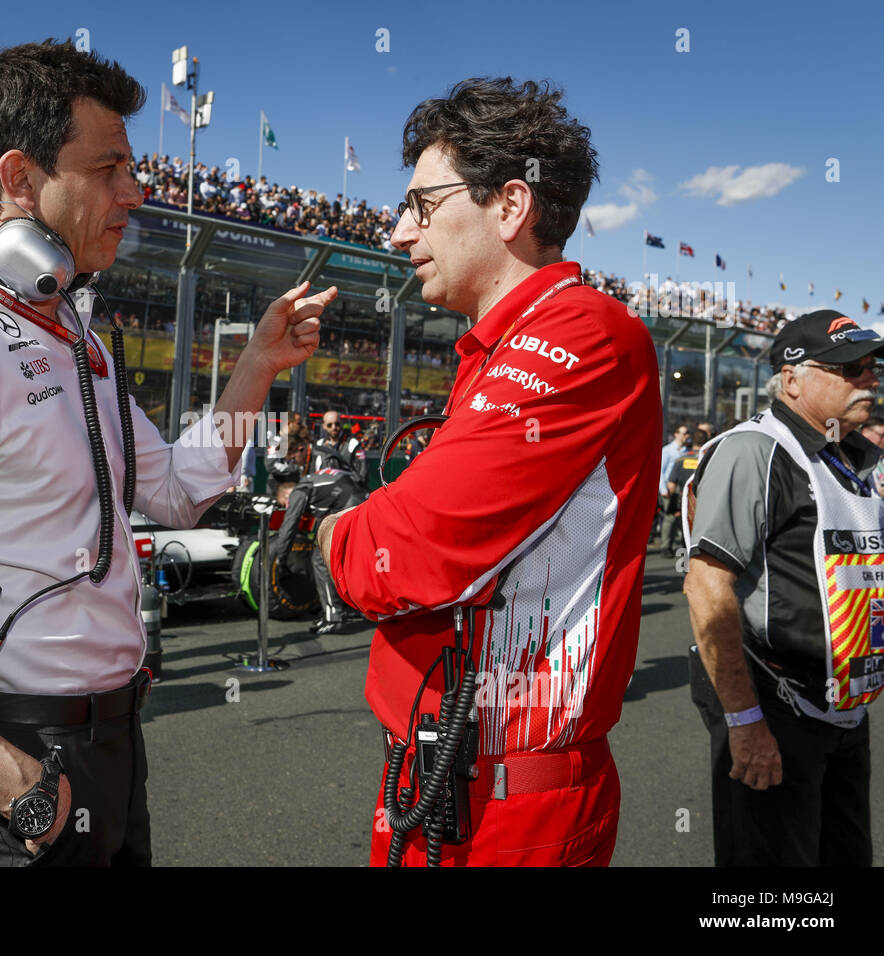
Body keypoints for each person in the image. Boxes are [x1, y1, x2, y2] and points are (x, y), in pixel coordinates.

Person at [0, 40, 332, 867]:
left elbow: (176, 490)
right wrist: (11, 782)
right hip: (12, 750)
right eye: (109, 168)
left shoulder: (63, 327)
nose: (135, 191)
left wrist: (256, 368)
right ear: (19, 179)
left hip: (112, 738)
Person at [317, 77, 660, 866]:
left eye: (422, 205)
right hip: (443, 775)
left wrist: (332, 533)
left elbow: (411, 548)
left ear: (510, 206)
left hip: (508, 802)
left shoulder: (581, 331)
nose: (400, 231)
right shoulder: (500, 347)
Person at [682, 309, 884, 866]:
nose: (868, 378)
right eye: (850, 368)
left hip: (843, 708)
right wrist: (745, 723)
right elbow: (706, 587)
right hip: (773, 705)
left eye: (870, 367)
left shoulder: (852, 457)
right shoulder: (755, 450)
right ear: (791, 379)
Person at [268, 445, 366, 635]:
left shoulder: (300, 490)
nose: (286, 507)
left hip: (351, 505)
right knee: (349, 560)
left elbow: (289, 527)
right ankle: (352, 607)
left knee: (320, 559)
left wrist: (281, 560)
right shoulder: (318, 480)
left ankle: (333, 616)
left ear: (286, 496)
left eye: (284, 504)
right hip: (365, 499)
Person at [659, 428, 706, 558]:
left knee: (685, 531)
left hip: (684, 500)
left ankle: (685, 566)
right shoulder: (710, 460)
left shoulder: (681, 459)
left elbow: (672, 484)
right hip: (704, 502)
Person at [311, 409, 368, 486]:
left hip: (346, 491)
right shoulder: (319, 445)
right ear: (323, 426)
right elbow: (313, 472)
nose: (334, 427)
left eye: (337, 424)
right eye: (329, 425)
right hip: (323, 491)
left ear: (341, 423)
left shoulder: (353, 444)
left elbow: (362, 473)